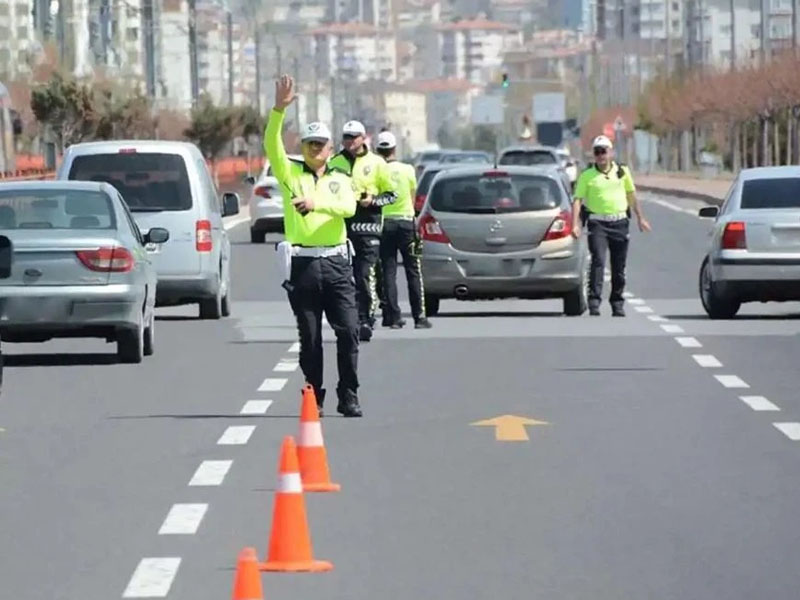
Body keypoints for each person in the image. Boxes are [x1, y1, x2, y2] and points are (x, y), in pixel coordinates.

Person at [264, 74, 362, 418]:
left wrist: (316, 204)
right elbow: (271, 144)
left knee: (349, 331)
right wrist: (278, 110)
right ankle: (313, 395)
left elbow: (348, 208)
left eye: (321, 144)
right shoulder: (290, 174)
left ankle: (348, 393)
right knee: (310, 337)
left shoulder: (340, 179)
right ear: (302, 147)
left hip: (336, 264)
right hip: (303, 265)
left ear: (331, 149)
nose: (315, 149)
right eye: (309, 144)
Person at [329, 120, 397, 342]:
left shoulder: (377, 163)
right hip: (341, 228)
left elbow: (392, 195)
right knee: (343, 278)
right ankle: (348, 319)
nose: (349, 141)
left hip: (369, 228)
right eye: (346, 137)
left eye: (354, 137)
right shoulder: (334, 162)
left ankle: (365, 319)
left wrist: (373, 200)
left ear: (363, 138)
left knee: (365, 275)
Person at [572, 135, 651, 317]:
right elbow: (577, 200)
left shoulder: (622, 172)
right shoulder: (587, 175)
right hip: (597, 223)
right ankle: (594, 301)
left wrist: (641, 218)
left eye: (604, 151)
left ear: (611, 153)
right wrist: (575, 224)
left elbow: (631, 195)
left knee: (619, 266)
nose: (601, 155)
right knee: (598, 261)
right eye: (597, 152)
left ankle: (617, 302)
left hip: (619, 222)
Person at [374, 131, 432, 329]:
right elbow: (413, 195)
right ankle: (419, 316)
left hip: (385, 224)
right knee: (413, 269)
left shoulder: (377, 171)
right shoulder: (407, 169)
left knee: (388, 270)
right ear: (394, 149)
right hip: (406, 223)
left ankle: (393, 316)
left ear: (378, 150)